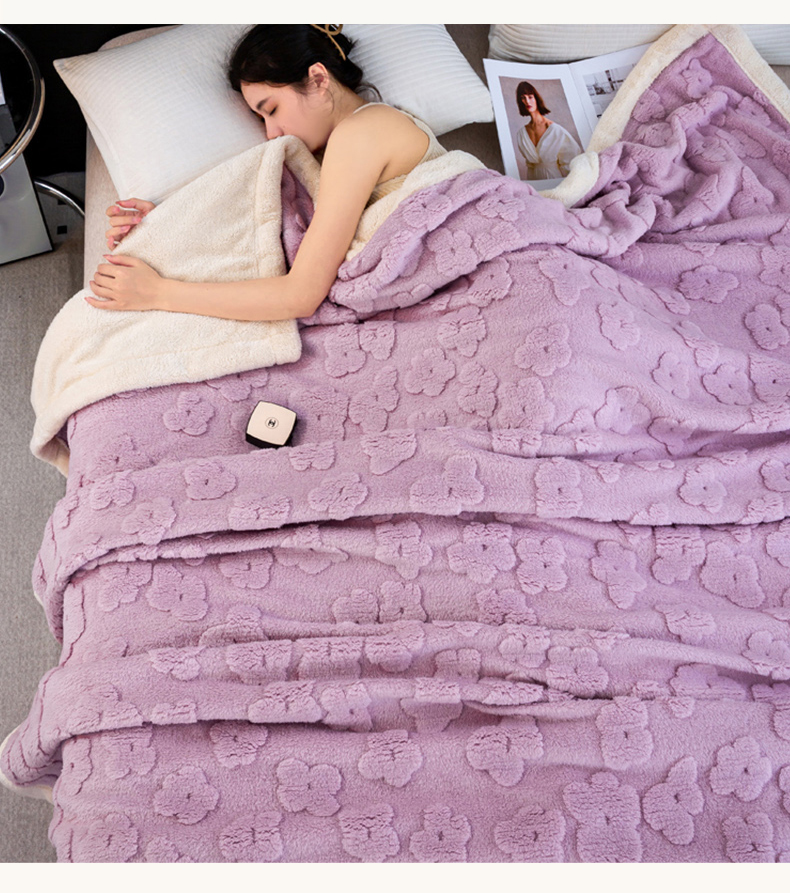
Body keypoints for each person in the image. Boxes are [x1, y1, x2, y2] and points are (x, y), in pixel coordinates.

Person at [86, 24, 446, 321]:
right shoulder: (333, 152)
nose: (271, 133)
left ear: (318, 79)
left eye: (271, 110)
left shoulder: (362, 132)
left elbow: (300, 295)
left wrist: (159, 293)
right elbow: (271, 236)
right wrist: (168, 226)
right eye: (261, 119)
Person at [514, 81, 581, 181]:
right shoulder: (521, 134)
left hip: (554, 178)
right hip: (533, 180)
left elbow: (571, 161)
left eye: (530, 97)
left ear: (536, 98)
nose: (527, 101)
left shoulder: (556, 130)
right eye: (523, 98)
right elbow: (530, 166)